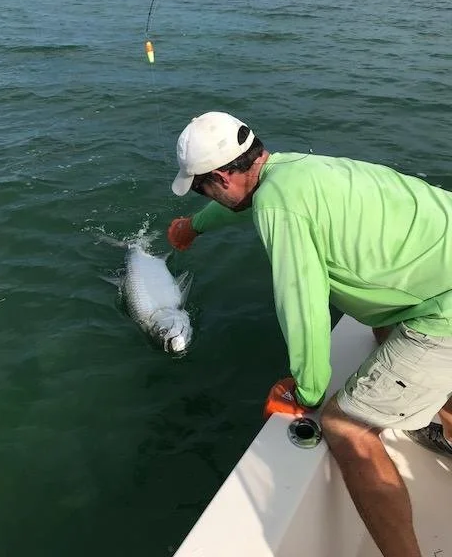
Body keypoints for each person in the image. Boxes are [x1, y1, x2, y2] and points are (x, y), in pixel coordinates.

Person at [166, 111, 452, 557]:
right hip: (439, 268)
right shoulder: (296, 169)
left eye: (202, 187)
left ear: (221, 177)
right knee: (381, 329)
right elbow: (250, 204)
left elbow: (302, 307)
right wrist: (195, 226)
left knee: (346, 427)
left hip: (446, 309)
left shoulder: (278, 207)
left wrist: (309, 389)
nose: (206, 195)